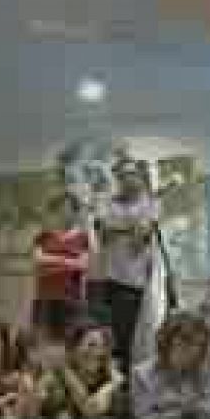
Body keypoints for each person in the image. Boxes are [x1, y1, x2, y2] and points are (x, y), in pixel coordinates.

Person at [88, 156, 159, 375]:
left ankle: (123, 389)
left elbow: (140, 239)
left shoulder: (148, 204)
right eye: (121, 175)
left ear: (138, 177)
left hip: (131, 282)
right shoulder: (107, 202)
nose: (126, 179)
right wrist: (127, 228)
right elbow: (103, 234)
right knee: (100, 337)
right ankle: (105, 384)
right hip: (102, 279)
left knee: (126, 339)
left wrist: (119, 228)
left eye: (131, 174)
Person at [31, 193, 90, 339]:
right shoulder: (44, 236)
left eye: (68, 209)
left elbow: (83, 264)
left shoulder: (82, 237)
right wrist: (68, 260)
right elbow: (38, 259)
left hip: (71, 299)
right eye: (61, 209)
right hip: (45, 298)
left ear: (75, 212)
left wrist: (51, 260)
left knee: (70, 341)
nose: (64, 213)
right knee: (43, 341)